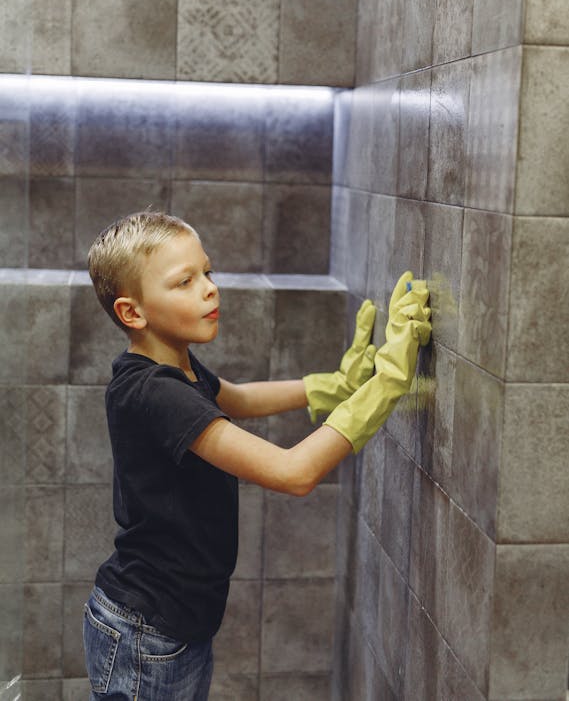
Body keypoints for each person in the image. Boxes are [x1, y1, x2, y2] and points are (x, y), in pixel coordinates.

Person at [83, 210, 431, 700]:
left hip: (166, 624)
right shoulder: (153, 392)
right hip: (146, 633)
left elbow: (239, 398)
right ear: (133, 313)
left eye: (207, 271)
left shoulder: (175, 368)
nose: (209, 288)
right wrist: (389, 380)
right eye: (184, 281)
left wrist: (336, 386)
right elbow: (294, 473)